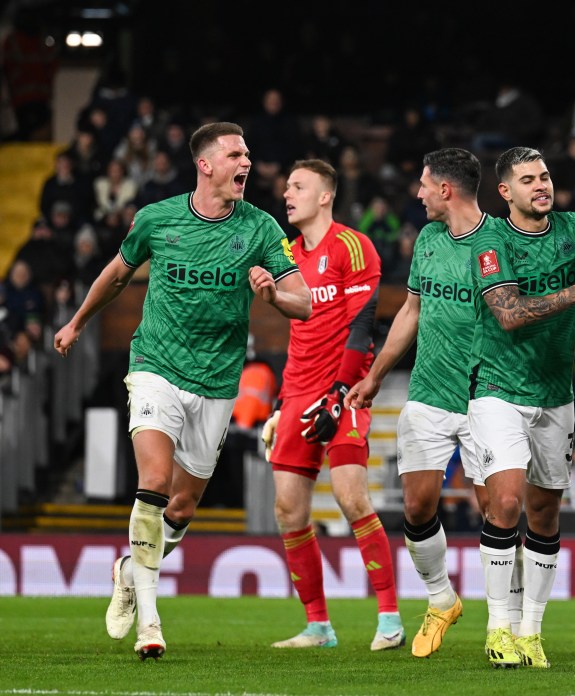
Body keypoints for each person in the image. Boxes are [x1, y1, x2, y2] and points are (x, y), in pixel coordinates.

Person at [53, 121, 312, 661]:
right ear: (206, 164)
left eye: (248, 153)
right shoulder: (157, 218)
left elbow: (303, 302)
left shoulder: (261, 227)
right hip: (155, 366)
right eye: (236, 153)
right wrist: (77, 322)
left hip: (217, 381)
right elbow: (118, 274)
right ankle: (150, 620)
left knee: (184, 502)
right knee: (153, 482)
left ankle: (130, 569)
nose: (247, 162)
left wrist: (271, 295)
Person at [468, 146, 575, 669]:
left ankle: (531, 631)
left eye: (544, 176)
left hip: (555, 394)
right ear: (505, 192)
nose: (541, 185)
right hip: (496, 389)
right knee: (508, 503)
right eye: (527, 179)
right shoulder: (490, 239)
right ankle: (497, 628)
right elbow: (509, 313)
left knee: (544, 512)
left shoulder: (572, 227)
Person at [345, 148, 501, 658]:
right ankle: (441, 599)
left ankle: (510, 622)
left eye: (423, 183)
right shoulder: (430, 240)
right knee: (416, 506)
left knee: (497, 510)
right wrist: (374, 376)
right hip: (429, 392)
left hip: (485, 397)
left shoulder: (500, 241)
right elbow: (412, 310)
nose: (417, 192)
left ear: (446, 190)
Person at [259, 158, 404, 652]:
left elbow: (363, 327)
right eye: (286, 186)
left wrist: (340, 394)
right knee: (287, 509)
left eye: (297, 186)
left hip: (344, 388)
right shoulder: (287, 254)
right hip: (298, 390)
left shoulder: (352, 244)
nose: (287, 193)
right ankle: (318, 626)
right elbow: (297, 336)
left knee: (350, 497)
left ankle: (388, 617)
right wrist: (282, 402)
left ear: (325, 195)